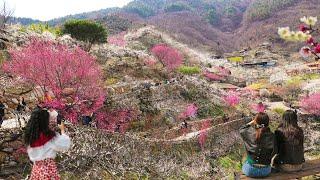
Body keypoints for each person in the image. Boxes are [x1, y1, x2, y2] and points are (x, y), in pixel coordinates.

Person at [24, 108, 71, 180]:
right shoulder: (49, 136)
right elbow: (64, 144)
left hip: (36, 169)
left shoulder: (30, 136)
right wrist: (62, 130)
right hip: (48, 170)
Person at [240, 113, 275, 178]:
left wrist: (252, 122)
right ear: (268, 123)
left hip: (250, 170)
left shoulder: (250, 132)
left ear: (255, 122)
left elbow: (241, 129)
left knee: (245, 162)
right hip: (266, 171)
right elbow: (275, 151)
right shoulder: (273, 136)